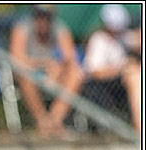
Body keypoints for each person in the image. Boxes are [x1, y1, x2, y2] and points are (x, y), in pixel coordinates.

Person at [9, 4, 83, 135]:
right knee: (24, 73)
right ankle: (43, 122)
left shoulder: (59, 27)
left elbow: (71, 59)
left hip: (53, 75)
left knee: (76, 75)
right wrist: (44, 65)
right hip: (30, 74)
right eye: (39, 14)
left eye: (47, 15)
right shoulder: (22, 27)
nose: (43, 19)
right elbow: (16, 58)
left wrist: (58, 69)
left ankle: (54, 121)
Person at [82, 4, 141, 134]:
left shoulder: (122, 37)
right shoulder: (98, 40)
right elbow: (94, 72)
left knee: (136, 72)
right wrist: (121, 69)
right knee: (134, 76)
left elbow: (137, 39)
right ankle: (140, 129)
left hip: (120, 83)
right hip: (102, 86)